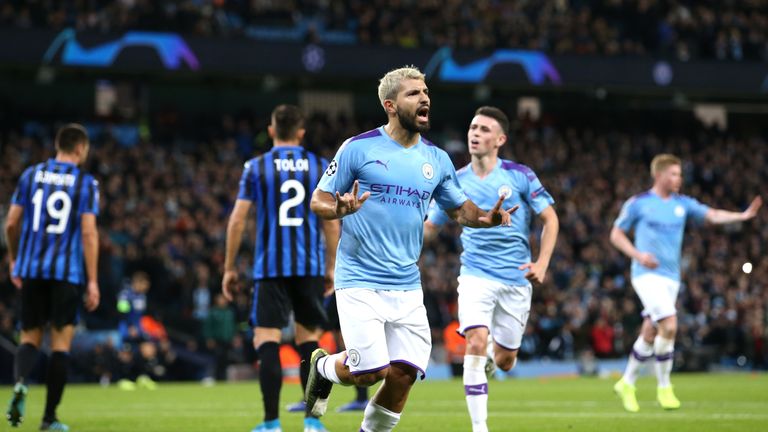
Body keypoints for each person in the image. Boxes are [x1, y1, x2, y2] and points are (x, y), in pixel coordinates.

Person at [306, 66, 516, 432]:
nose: (425, 98)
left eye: (425, 92)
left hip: (406, 283)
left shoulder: (436, 160)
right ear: (390, 105)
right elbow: (318, 199)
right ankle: (323, 368)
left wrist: (487, 218)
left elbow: (459, 209)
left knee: (402, 375)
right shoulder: (358, 148)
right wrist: (337, 208)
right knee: (369, 373)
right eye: (413, 93)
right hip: (359, 278)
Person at [424, 106, 559, 432]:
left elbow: (550, 219)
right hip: (475, 275)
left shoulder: (520, 175)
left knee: (504, 360)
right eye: (473, 127)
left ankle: (488, 364)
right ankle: (480, 427)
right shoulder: (454, 180)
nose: (475, 133)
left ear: (500, 139)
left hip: (516, 279)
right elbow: (431, 228)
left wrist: (542, 263)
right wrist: (401, 231)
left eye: (484, 129)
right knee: (475, 341)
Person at [611, 154, 762, 412]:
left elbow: (712, 215)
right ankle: (664, 387)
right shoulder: (639, 203)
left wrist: (741, 216)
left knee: (650, 331)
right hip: (645, 275)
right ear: (658, 175)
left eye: (679, 174)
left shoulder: (683, 204)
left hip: (671, 278)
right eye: (674, 174)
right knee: (669, 324)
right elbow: (616, 233)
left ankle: (627, 382)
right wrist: (638, 255)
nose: (679, 178)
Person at [222, 104, 340, 432]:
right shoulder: (319, 166)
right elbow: (331, 224)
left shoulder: (256, 167)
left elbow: (237, 219)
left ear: (272, 130)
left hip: (270, 268)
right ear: (301, 132)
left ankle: (271, 423)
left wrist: (229, 267)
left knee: (267, 341)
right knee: (310, 344)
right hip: (309, 267)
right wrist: (331, 265)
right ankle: (313, 423)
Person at [5, 123, 101, 431]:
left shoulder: (30, 175)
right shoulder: (85, 183)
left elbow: (10, 224)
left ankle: (20, 382)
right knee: (60, 345)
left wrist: (14, 259)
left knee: (30, 337)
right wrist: (93, 280)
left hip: (32, 270)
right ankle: (49, 419)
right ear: (80, 148)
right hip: (65, 273)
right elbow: (88, 233)